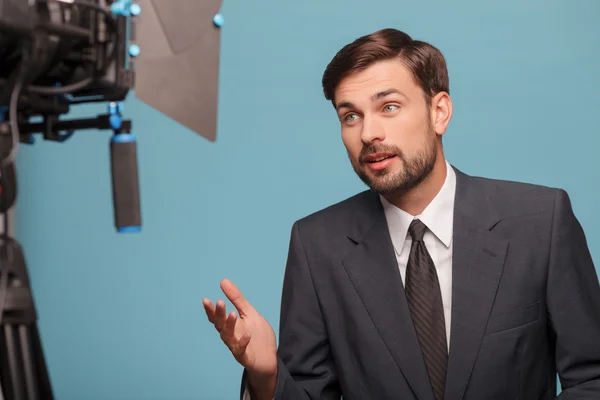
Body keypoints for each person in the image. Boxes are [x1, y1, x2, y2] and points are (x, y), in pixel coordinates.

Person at [202, 28, 600, 399]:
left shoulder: (541, 221)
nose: (368, 133)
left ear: (439, 111)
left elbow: (592, 377)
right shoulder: (316, 245)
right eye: (350, 116)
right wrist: (267, 376)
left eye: (388, 107)